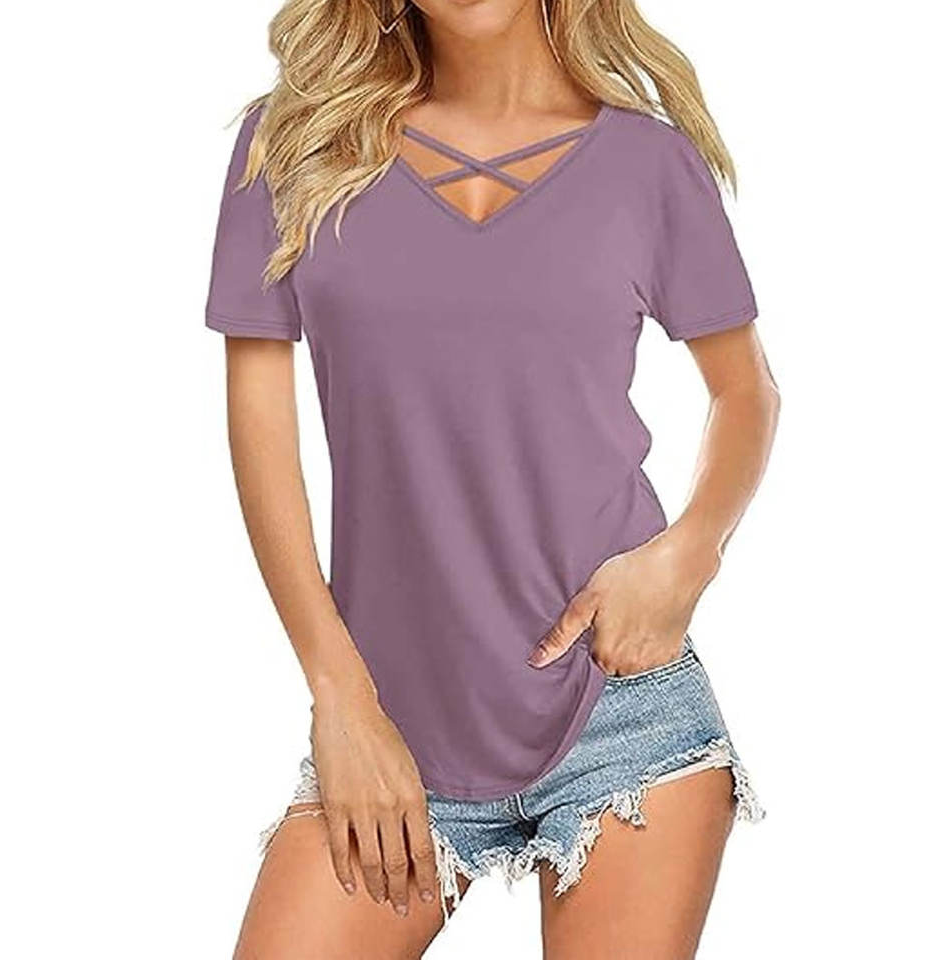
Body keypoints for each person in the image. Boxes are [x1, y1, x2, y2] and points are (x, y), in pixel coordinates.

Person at [205, 0, 780, 955]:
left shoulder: (648, 164)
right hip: (388, 721)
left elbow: (745, 390)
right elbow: (260, 426)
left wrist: (687, 555)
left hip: (621, 710)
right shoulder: (297, 145)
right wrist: (340, 697)